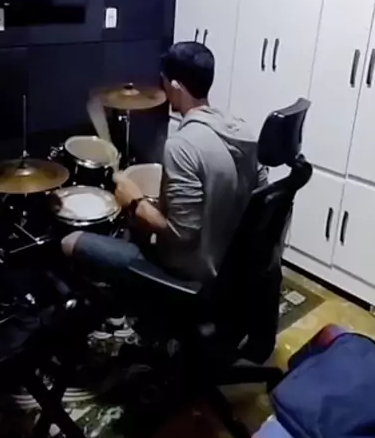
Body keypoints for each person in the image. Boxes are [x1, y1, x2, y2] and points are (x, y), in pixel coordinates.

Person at [61, 41, 259, 283]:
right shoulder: (241, 131)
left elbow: (181, 235)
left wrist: (135, 201)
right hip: (228, 260)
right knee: (137, 228)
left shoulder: (182, 145)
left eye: (163, 81)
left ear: (175, 86)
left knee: (70, 242)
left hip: (190, 270)